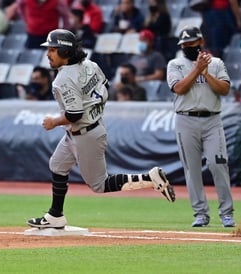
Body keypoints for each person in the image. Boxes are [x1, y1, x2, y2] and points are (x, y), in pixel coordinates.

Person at [26, 29, 175, 229]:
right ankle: (55, 215)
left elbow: (74, 114)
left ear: (66, 52)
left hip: (85, 133)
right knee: (57, 165)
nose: (48, 54)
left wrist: (53, 122)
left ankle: (149, 178)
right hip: (87, 128)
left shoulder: (62, 80)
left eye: (53, 49)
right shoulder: (91, 64)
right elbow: (104, 88)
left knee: (99, 185)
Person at [166, 26, 235, 227]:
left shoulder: (216, 63)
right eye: (184, 44)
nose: (187, 47)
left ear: (200, 42)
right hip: (185, 119)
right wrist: (197, 70)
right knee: (192, 168)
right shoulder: (175, 64)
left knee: (218, 164)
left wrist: (206, 72)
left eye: (191, 43)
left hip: (212, 119)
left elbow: (224, 89)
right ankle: (201, 213)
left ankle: (227, 213)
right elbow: (178, 88)